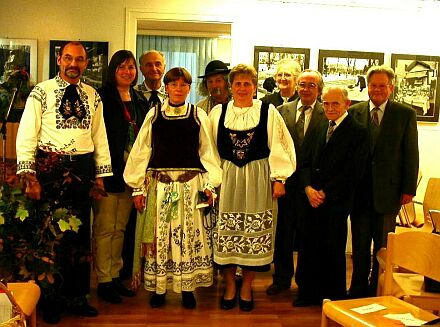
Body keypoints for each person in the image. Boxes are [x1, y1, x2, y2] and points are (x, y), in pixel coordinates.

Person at [15, 41, 112, 324]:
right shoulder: (40, 93)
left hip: (82, 169)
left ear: (85, 64)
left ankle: (77, 297)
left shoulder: (93, 96)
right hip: (51, 167)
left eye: (79, 59)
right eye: (68, 58)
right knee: (51, 238)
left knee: (79, 237)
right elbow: (26, 135)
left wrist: (100, 177)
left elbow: (100, 137)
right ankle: (52, 301)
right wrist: (29, 175)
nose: (74, 64)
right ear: (59, 60)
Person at [123, 67, 222, 309]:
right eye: (173, 85)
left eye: (183, 85)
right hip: (160, 187)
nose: (178, 89)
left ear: (189, 89)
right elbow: (141, 152)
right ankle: (160, 289)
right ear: (166, 88)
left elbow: (208, 153)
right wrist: (137, 188)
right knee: (160, 238)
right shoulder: (154, 115)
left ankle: (187, 289)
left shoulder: (199, 116)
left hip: (190, 186)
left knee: (187, 237)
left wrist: (210, 184)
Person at [209, 64, 296, 312]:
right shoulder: (218, 112)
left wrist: (279, 178)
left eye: (247, 84)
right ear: (231, 86)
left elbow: (281, 146)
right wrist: (211, 180)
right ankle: (229, 286)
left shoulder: (268, 112)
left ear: (254, 86)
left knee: (253, 236)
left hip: (258, 178)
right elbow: (209, 149)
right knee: (225, 235)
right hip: (226, 179)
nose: (243, 88)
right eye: (238, 84)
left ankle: (246, 287)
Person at [348, 65, 419, 298]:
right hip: (359, 192)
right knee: (359, 245)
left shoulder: (404, 114)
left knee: (383, 246)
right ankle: (357, 287)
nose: (377, 89)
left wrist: (408, 189)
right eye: (373, 85)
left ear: (391, 87)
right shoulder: (354, 112)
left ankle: (378, 288)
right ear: (367, 86)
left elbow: (411, 153)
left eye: (382, 85)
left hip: (389, 193)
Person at [294, 85, 368, 306]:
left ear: (347, 104)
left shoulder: (358, 132)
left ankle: (332, 295)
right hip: (311, 199)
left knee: (332, 248)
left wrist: (326, 192)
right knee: (308, 246)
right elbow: (304, 161)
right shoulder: (319, 126)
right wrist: (308, 188)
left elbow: (354, 170)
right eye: (326, 103)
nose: (330, 107)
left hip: (335, 201)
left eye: (335, 103)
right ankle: (307, 292)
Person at [93, 50, 147, 304]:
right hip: (108, 170)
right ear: (113, 70)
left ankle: (115, 275)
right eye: (122, 67)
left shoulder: (138, 99)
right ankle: (104, 280)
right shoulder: (101, 97)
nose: (127, 71)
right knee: (105, 228)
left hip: (131, 173)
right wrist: (98, 173)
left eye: (131, 67)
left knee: (121, 228)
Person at [266, 70, 326, 297]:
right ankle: (281, 279)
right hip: (286, 185)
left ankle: (305, 283)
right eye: (302, 84)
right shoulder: (282, 112)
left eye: (311, 85)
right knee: (283, 234)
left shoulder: (326, 113)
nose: (306, 89)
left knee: (307, 238)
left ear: (318, 88)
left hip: (312, 187)